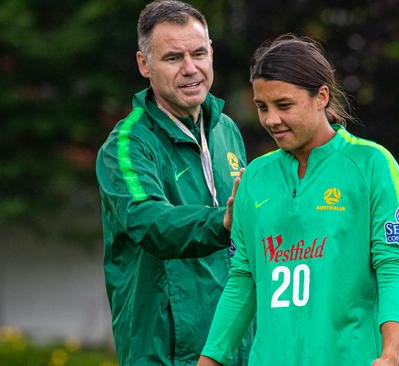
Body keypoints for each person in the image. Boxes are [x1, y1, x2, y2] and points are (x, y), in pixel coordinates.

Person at [198, 35, 399, 366]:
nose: (271, 119)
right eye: (262, 107)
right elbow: (242, 279)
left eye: (284, 105)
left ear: (321, 97)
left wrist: (389, 355)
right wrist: (209, 361)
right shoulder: (254, 178)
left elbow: (392, 268)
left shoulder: (373, 165)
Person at [96, 1, 251, 365]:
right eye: (173, 58)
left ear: (211, 53)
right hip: (165, 351)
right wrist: (222, 222)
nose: (190, 69)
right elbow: (147, 220)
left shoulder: (226, 129)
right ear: (144, 65)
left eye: (199, 53)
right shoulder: (127, 146)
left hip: (233, 345)